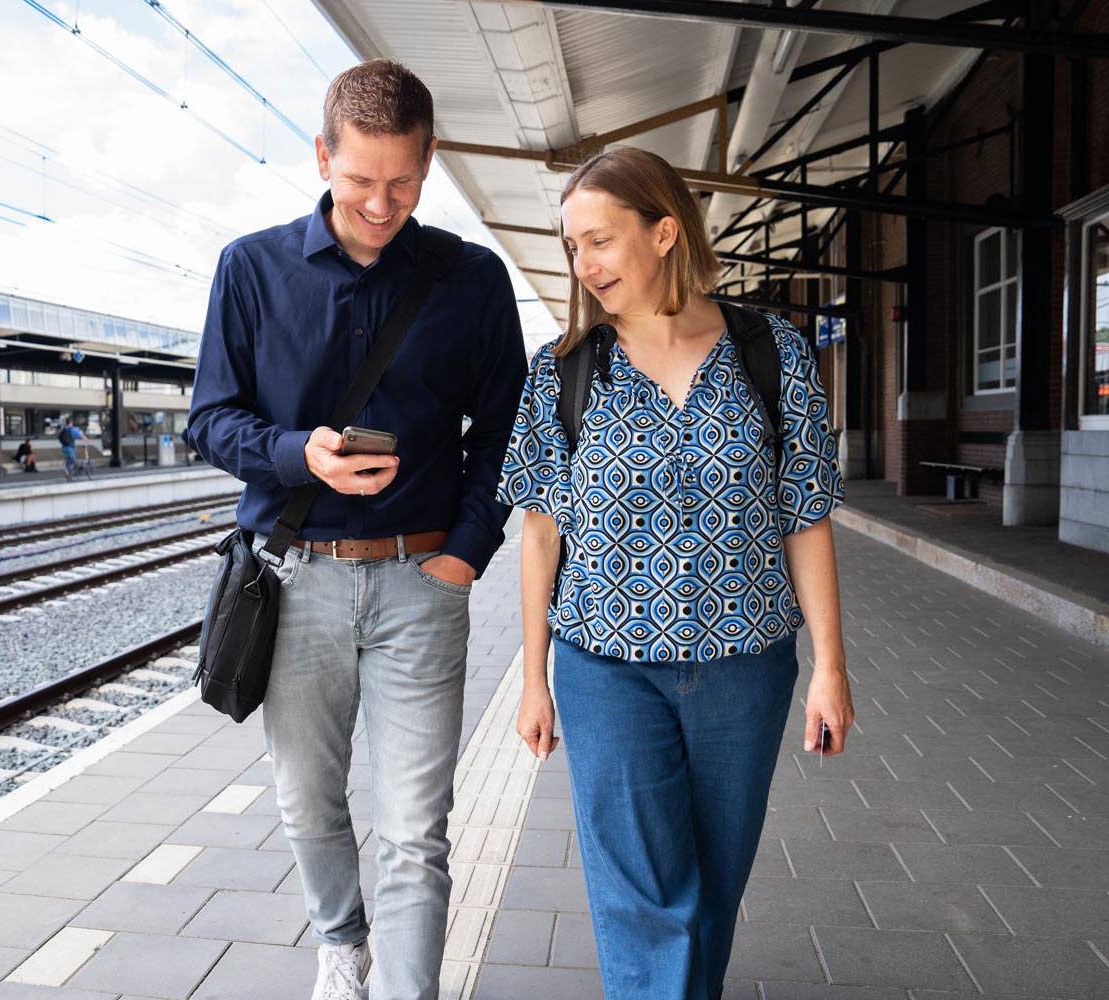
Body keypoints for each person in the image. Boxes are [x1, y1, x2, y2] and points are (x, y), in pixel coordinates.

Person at [186, 59, 526, 1000]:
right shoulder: (250, 269)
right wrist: (303, 455)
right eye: (361, 179)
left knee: (417, 826)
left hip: (423, 581)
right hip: (293, 583)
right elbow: (209, 419)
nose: (381, 203)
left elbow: (507, 428)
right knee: (305, 806)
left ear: (429, 164)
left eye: (404, 182)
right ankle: (341, 938)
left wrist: (467, 548)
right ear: (322, 154)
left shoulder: (470, 278)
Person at [497, 147, 854, 1000]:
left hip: (745, 669)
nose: (583, 265)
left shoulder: (772, 353)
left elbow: (805, 517)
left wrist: (830, 670)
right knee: (643, 898)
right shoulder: (563, 370)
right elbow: (541, 535)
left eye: (599, 241)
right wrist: (533, 679)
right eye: (571, 246)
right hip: (605, 668)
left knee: (711, 887)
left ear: (663, 233)